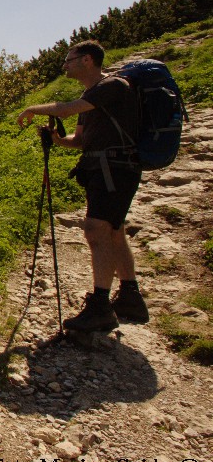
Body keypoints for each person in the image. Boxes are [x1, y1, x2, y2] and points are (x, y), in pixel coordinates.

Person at [16, 40, 148, 332]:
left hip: (114, 169)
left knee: (95, 231)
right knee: (113, 231)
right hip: (104, 168)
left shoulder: (113, 86)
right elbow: (80, 140)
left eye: (68, 58)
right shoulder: (92, 96)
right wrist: (59, 141)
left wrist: (31, 109)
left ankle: (100, 306)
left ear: (87, 60)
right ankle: (130, 297)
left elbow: (64, 110)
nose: (64, 64)